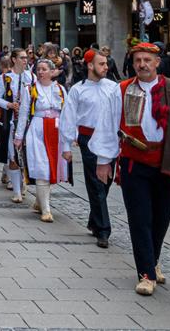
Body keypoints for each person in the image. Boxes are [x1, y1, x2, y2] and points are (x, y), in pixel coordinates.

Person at [90, 42, 170, 296]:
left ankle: (153, 260)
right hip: (134, 162)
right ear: (133, 64)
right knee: (140, 218)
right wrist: (103, 160)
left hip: (166, 162)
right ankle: (145, 274)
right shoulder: (122, 90)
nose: (142, 64)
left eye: (147, 60)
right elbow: (108, 125)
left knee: (161, 216)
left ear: (157, 63)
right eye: (138, 60)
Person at [60, 50, 118, 248]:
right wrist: (66, 145)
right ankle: (103, 229)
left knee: (107, 181)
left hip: (111, 139)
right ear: (90, 65)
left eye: (106, 63)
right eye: (101, 64)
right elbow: (68, 117)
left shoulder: (113, 88)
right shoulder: (78, 90)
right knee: (96, 184)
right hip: (89, 138)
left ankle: (95, 220)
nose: (106, 67)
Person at [14, 58, 70, 222]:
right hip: (38, 129)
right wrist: (19, 136)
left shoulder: (60, 89)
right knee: (42, 167)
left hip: (56, 130)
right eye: (38, 69)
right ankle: (46, 210)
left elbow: (67, 113)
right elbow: (24, 113)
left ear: (52, 72)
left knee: (53, 167)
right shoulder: (30, 89)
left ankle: (40, 201)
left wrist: (71, 135)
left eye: (44, 69)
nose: (40, 72)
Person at [0, 48, 35, 203]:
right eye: (22, 57)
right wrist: (9, 104)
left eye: (26, 57)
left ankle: (23, 183)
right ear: (14, 59)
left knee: (27, 154)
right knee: (13, 154)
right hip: (11, 121)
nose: (26, 60)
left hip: (29, 122)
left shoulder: (31, 77)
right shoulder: (5, 78)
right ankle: (17, 191)